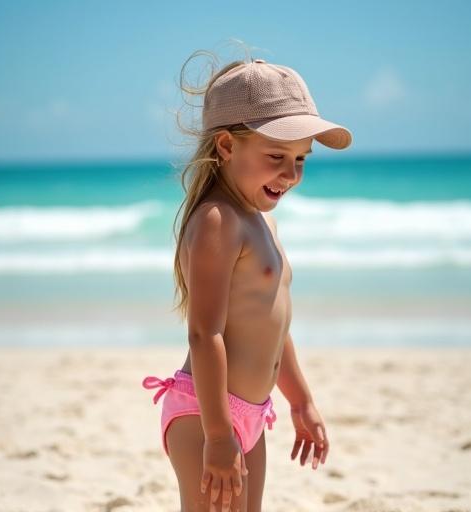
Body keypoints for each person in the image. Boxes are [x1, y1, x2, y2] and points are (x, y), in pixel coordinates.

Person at [142, 49, 352, 512]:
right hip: (206, 412)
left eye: (301, 159)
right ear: (226, 146)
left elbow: (273, 328)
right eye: (276, 155)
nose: (290, 174)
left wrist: (300, 402)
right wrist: (218, 435)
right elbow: (205, 332)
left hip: (251, 413)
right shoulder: (219, 221)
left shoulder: (262, 223)